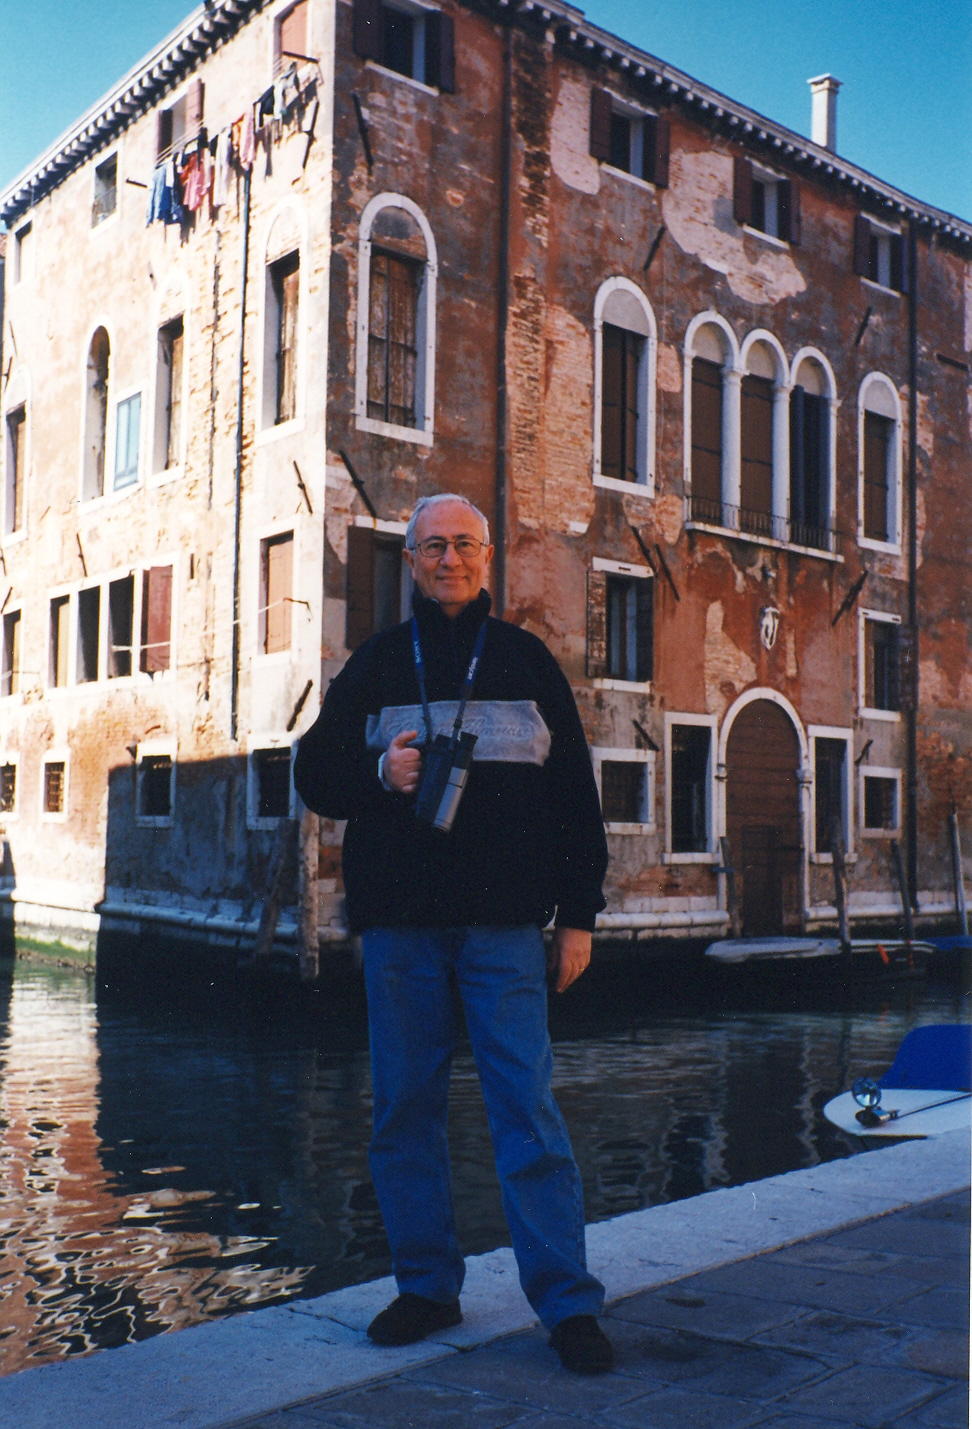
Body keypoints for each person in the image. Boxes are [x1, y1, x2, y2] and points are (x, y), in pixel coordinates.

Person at [294, 493, 613, 1374]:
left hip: (504, 928)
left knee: (527, 1110)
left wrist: (578, 916)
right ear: (410, 562)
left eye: (463, 544)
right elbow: (313, 770)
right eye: (432, 546)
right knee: (404, 1109)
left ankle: (568, 1304)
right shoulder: (376, 663)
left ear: (487, 556)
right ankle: (428, 1286)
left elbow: (574, 797)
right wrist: (379, 769)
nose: (449, 559)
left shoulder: (525, 659)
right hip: (402, 930)